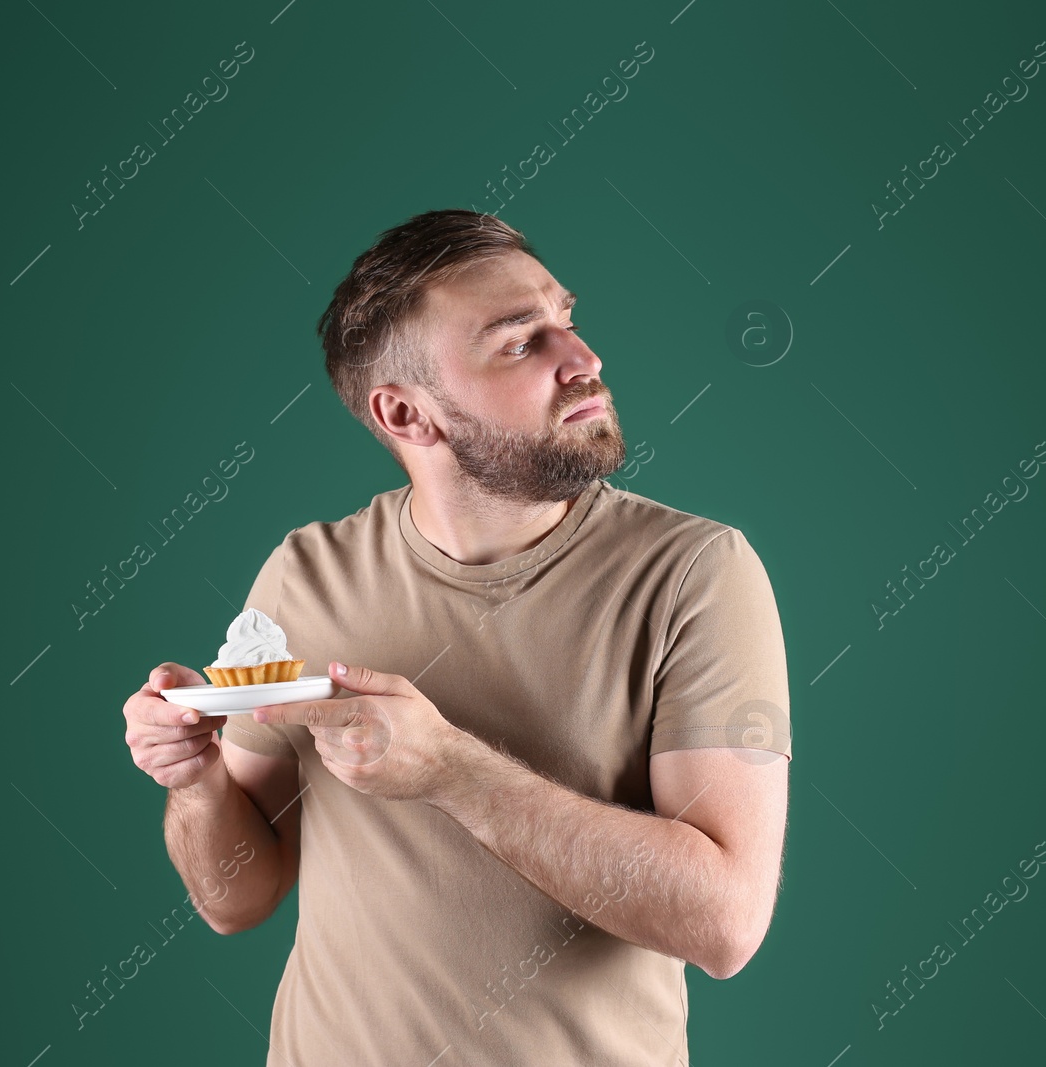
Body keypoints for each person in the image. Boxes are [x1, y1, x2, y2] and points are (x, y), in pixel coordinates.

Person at [121, 208, 792, 1065]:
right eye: (521, 343)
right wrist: (198, 779)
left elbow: (726, 924)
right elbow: (234, 899)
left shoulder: (696, 574)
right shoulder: (304, 574)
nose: (583, 361)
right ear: (406, 414)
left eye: (568, 320)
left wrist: (450, 769)